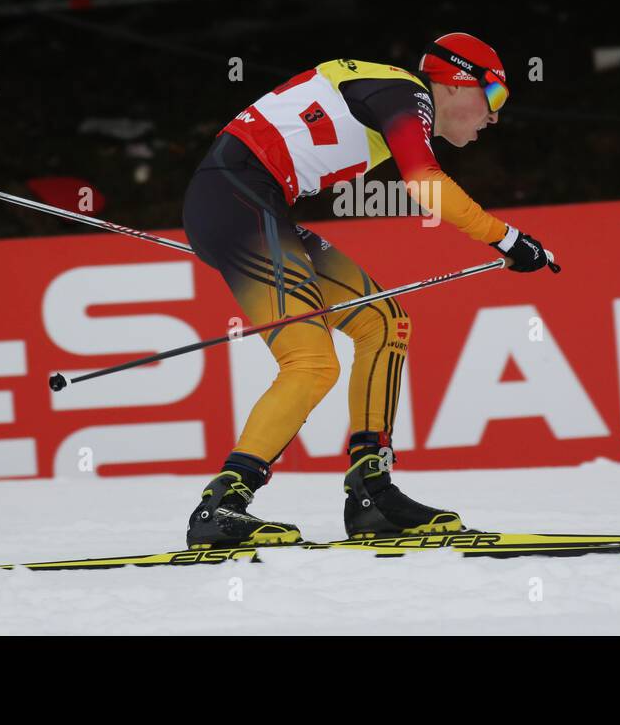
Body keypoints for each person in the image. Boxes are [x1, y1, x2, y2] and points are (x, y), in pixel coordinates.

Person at [180, 32, 557, 548]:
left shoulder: (395, 96)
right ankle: (221, 504)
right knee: (311, 363)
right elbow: (425, 183)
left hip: (245, 200)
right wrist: (507, 238)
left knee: (384, 321)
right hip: (238, 198)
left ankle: (371, 494)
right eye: (494, 95)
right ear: (454, 82)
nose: (495, 116)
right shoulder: (408, 94)